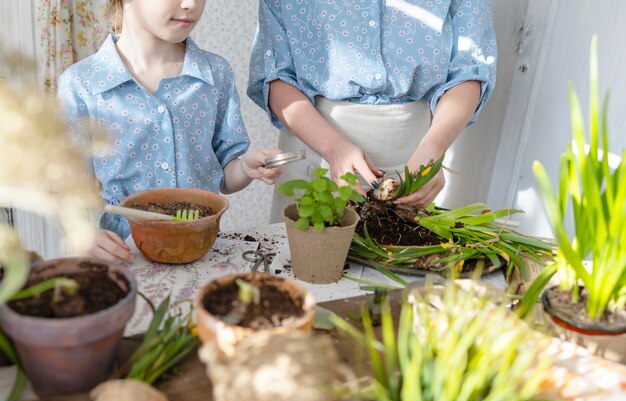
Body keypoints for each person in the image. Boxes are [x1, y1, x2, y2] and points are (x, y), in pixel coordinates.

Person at [57, 0, 282, 262]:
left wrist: (245, 168)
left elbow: (226, 176)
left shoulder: (216, 74)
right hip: (125, 255)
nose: (190, 4)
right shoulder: (81, 85)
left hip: (201, 250)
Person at [248, 0, 497, 223]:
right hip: (314, 154)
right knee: (303, 268)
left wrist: (434, 148)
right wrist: (333, 148)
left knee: (397, 269)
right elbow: (275, 76)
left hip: (414, 160)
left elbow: (469, 72)